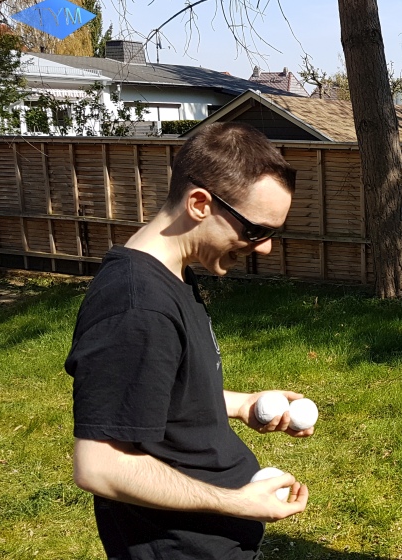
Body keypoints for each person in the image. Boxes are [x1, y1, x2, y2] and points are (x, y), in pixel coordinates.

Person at [66, 122, 312, 559]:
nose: (264, 249)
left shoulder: (173, 277)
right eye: (256, 231)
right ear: (200, 203)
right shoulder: (136, 306)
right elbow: (98, 465)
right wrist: (235, 502)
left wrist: (239, 403)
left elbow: (160, 393)